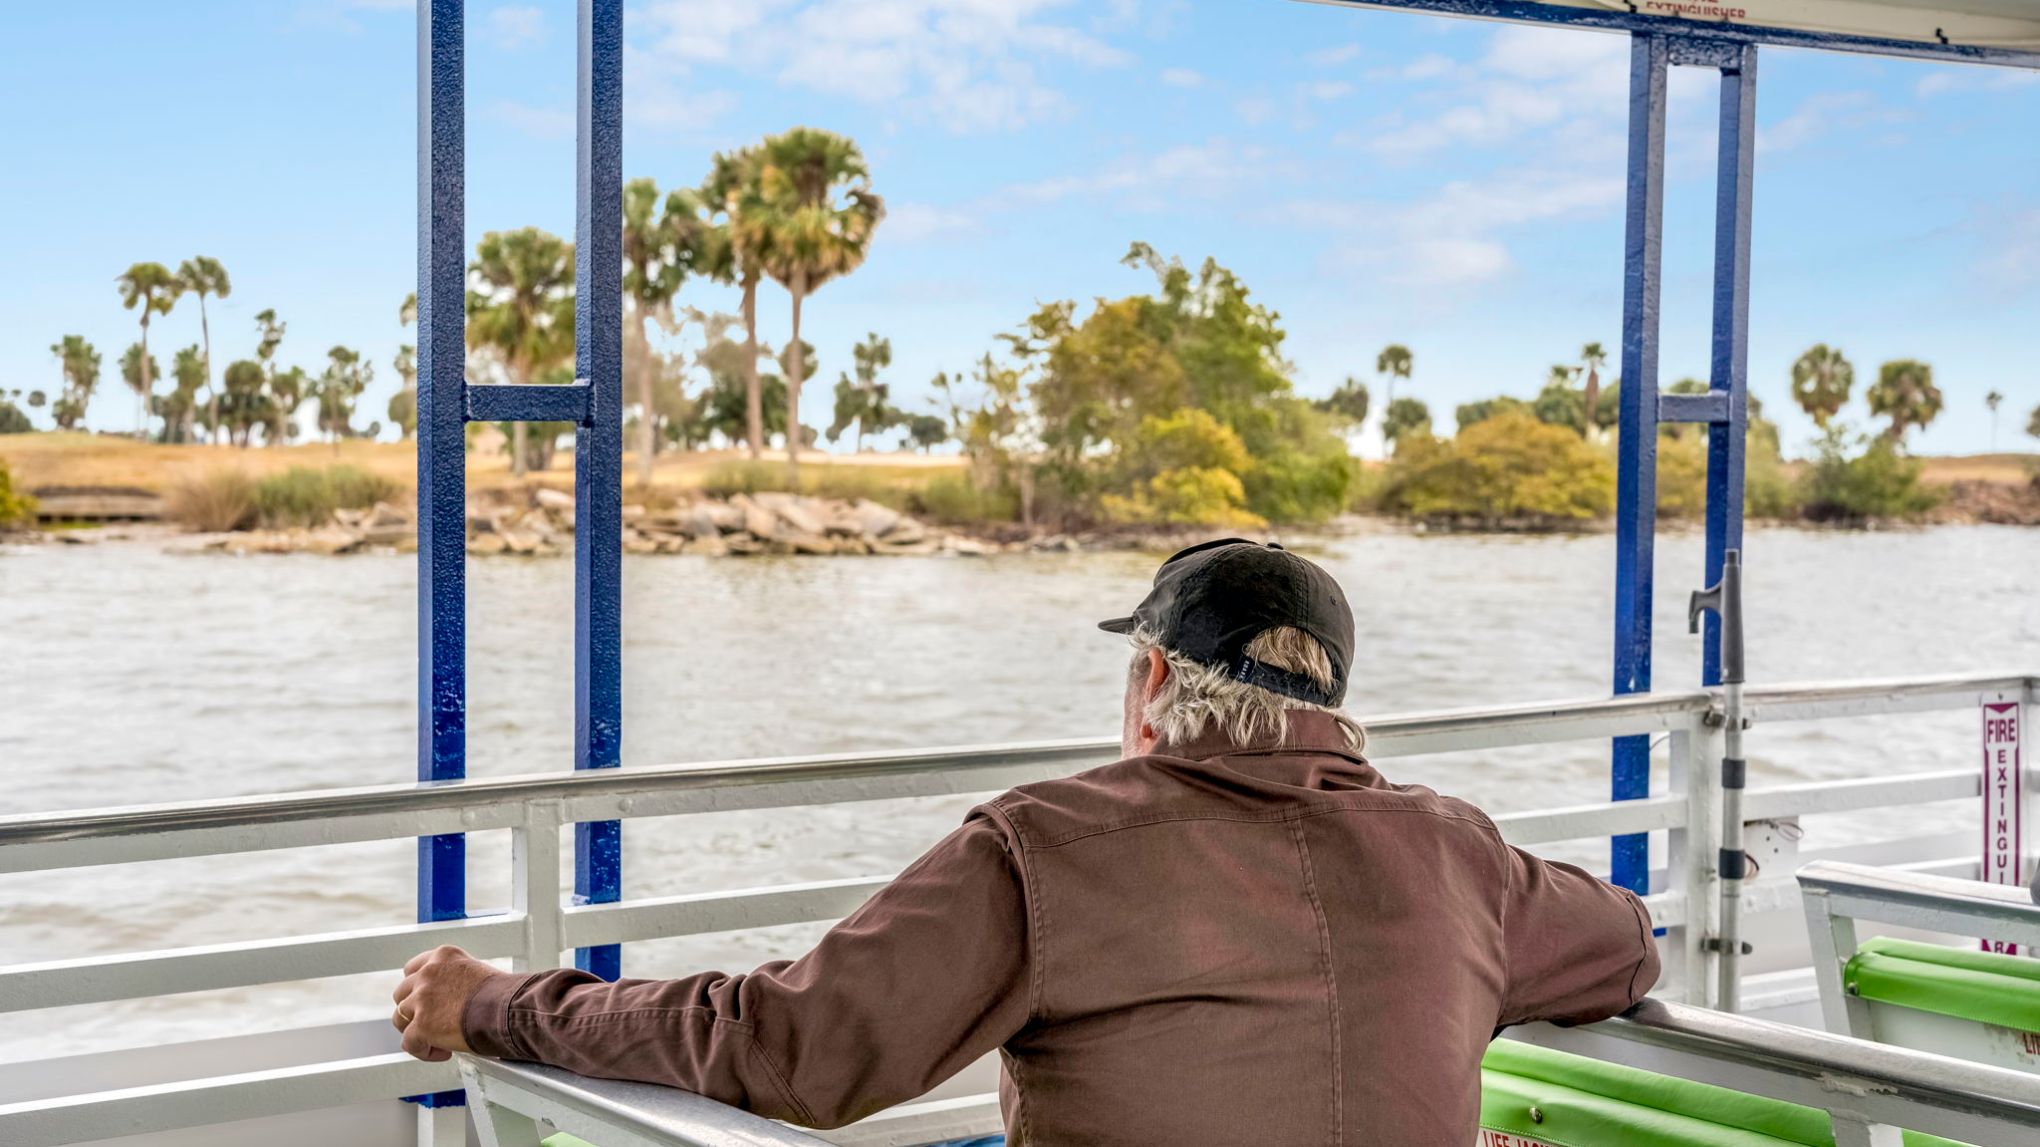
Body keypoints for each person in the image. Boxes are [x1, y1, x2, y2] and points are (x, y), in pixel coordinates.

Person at [393, 538, 1659, 1144]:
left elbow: (791, 1049)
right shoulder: (1459, 855)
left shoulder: (1044, 845)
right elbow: (1628, 947)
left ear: (1151, 678)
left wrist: (501, 1001)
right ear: (1331, 707)